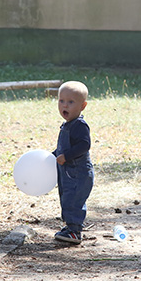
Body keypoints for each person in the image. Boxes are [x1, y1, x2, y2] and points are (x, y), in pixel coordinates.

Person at [52, 81, 94, 245]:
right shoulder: (67, 125)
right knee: (67, 198)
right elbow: (63, 148)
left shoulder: (80, 126)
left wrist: (66, 156)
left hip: (79, 173)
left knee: (74, 200)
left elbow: (84, 145)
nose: (65, 105)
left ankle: (75, 232)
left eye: (71, 102)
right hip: (68, 174)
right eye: (61, 101)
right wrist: (53, 156)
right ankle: (70, 227)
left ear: (82, 106)